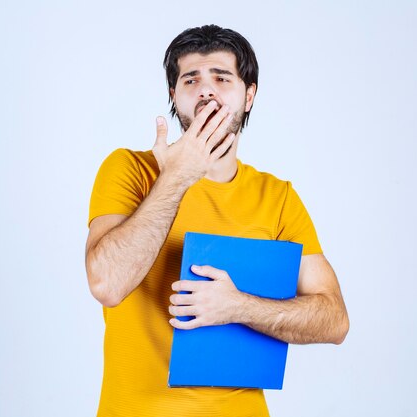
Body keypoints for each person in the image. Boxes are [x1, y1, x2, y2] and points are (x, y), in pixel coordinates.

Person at [85, 24, 349, 417]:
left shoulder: (277, 198)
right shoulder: (130, 170)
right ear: (174, 95)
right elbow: (107, 283)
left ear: (249, 95)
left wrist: (239, 307)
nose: (206, 89)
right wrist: (177, 176)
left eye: (221, 78)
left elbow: (334, 320)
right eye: (190, 79)